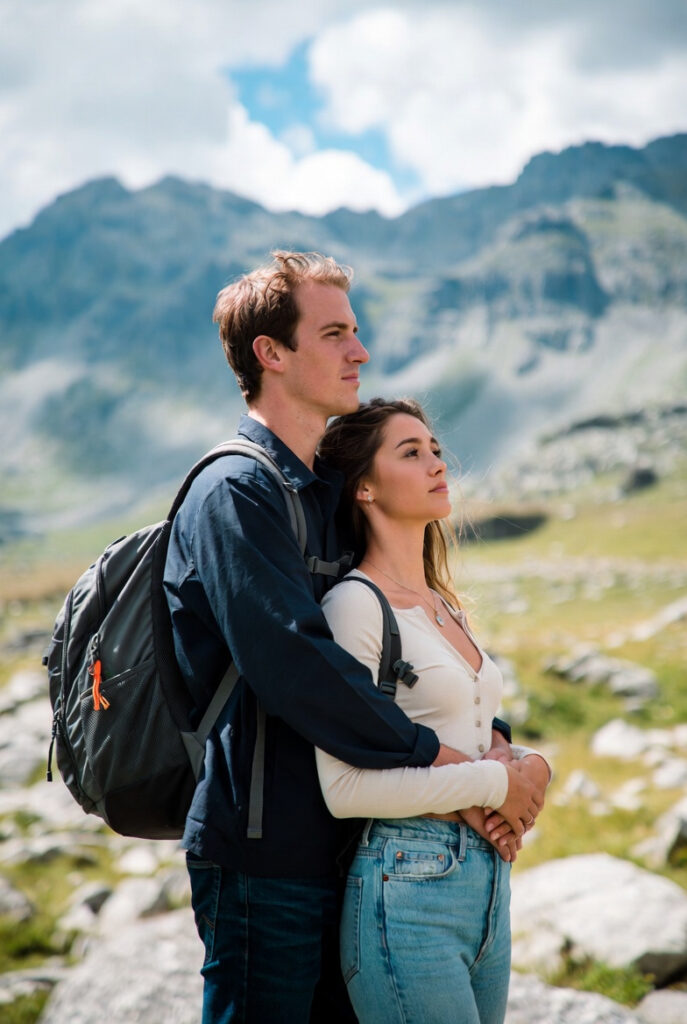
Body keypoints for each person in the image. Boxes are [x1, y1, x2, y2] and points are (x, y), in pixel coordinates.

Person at [163, 252, 543, 1023]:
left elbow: (392, 656)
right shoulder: (233, 491)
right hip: (263, 854)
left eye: (356, 333)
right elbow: (295, 662)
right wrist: (455, 766)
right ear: (271, 353)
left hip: (350, 846)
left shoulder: (323, 494)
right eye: (334, 333)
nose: (359, 352)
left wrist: (489, 742)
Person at [315, 398, 552, 1024]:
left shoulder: (447, 606)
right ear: (364, 487)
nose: (437, 463)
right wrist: (497, 783)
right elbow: (342, 788)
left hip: (488, 886)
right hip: (405, 886)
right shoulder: (355, 606)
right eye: (411, 452)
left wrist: (529, 767)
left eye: (436, 449)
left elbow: (470, 733)